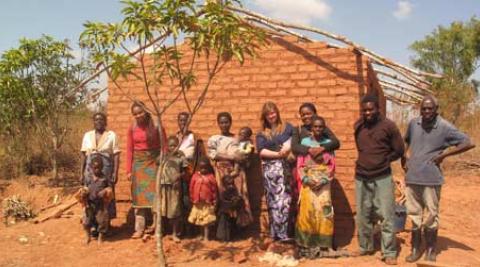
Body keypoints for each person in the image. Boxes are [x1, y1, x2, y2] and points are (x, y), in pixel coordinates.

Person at [402, 95, 475, 263]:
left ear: (436, 110)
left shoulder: (444, 127)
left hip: (431, 179)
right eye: (424, 109)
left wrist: (445, 154)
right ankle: (415, 249)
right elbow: (406, 140)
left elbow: (468, 142)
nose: (426, 112)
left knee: (431, 216)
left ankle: (430, 250)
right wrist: (403, 157)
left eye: (430, 109)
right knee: (414, 215)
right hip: (412, 178)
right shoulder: (414, 123)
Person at [353, 94, 405, 265]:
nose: (367, 113)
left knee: (386, 214)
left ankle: (389, 251)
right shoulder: (358, 126)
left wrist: (383, 160)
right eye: (364, 110)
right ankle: (365, 246)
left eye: (370, 109)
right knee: (363, 214)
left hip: (382, 175)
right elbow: (361, 148)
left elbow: (399, 150)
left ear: (378, 109)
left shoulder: (388, 126)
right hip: (361, 176)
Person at [295, 116, 336, 258]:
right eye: (315, 127)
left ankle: (324, 245)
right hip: (308, 185)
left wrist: (324, 180)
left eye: (320, 127)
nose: (318, 129)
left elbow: (332, 165)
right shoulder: (305, 143)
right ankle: (307, 245)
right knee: (307, 212)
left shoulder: (328, 144)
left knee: (325, 212)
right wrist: (306, 179)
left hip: (324, 186)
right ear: (311, 129)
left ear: (324, 128)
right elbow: (300, 164)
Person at [208, 112, 253, 240]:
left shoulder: (239, 140)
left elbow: (245, 156)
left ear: (231, 122)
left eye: (226, 122)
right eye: (221, 122)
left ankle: (238, 231)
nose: (224, 125)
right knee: (224, 198)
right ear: (218, 123)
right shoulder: (214, 139)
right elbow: (213, 155)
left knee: (239, 197)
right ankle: (223, 233)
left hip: (237, 172)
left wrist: (240, 159)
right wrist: (233, 157)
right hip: (221, 171)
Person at [256, 101, 295, 242]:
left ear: (277, 112)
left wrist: (288, 146)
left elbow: (295, 139)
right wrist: (279, 154)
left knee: (285, 201)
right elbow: (261, 151)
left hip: (285, 170)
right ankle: (275, 234)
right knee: (273, 202)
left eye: (273, 112)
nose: (271, 116)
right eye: (268, 114)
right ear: (264, 117)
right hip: (270, 172)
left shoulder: (287, 127)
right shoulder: (262, 134)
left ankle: (285, 233)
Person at [126, 101, 165, 239]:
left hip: (154, 164)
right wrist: (129, 170)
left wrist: (162, 162)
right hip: (139, 164)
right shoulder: (132, 128)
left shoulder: (156, 126)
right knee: (139, 198)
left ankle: (156, 228)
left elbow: (164, 146)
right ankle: (139, 229)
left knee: (155, 197)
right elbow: (130, 149)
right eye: (135, 114)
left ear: (146, 111)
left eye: (140, 112)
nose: (138, 116)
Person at [291, 102, 340, 192]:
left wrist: (322, 148)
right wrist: (309, 149)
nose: (306, 116)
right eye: (303, 115)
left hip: (322, 173)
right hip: (305, 172)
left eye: (308, 114)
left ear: (315, 113)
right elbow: (294, 146)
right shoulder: (298, 130)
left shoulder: (321, 128)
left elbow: (336, 143)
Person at [80, 112, 120, 221]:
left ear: (105, 122)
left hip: (106, 170)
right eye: (96, 119)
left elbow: (116, 155)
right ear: (93, 122)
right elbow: (83, 156)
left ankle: (106, 224)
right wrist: (81, 173)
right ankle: (91, 223)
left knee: (106, 195)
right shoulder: (87, 135)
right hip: (90, 171)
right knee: (89, 194)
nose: (99, 121)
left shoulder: (112, 135)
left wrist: (115, 173)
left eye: (101, 119)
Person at [156, 136, 189, 242]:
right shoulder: (164, 156)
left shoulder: (180, 157)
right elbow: (157, 163)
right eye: (170, 145)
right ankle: (160, 231)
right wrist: (163, 154)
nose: (173, 148)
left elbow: (186, 171)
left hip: (174, 187)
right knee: (161, 209)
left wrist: (178, 176)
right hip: (162, 186)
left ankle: (175, 233)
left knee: (174, 210)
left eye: (175, 145)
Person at [80, 156, 112, 244]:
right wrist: (84, 192)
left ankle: (100, 238)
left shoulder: (104, 178)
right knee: (86, 221)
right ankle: (87, 237)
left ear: (102, 167)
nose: (97, 169)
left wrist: (105, 191)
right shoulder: (89, 178)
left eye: (99, 167)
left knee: (102, 221)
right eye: (95, 168)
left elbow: (110, 189)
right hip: (89, 203)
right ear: (91, 167)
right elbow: (85, 187)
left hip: (100, 204)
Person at [188, 157, 218, 240]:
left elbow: (214, 190)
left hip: (207, 202)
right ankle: (201, 235)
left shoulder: (211, 177)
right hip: (197, 202)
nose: (203, 169)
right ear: (198, 168)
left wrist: (215, 200)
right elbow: (191, 188)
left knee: (206, 221)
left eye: (205, 168)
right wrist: (192, 198)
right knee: (199, 219)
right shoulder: (195, 176)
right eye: (201, 168)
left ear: (208, 168)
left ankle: (206, 236)